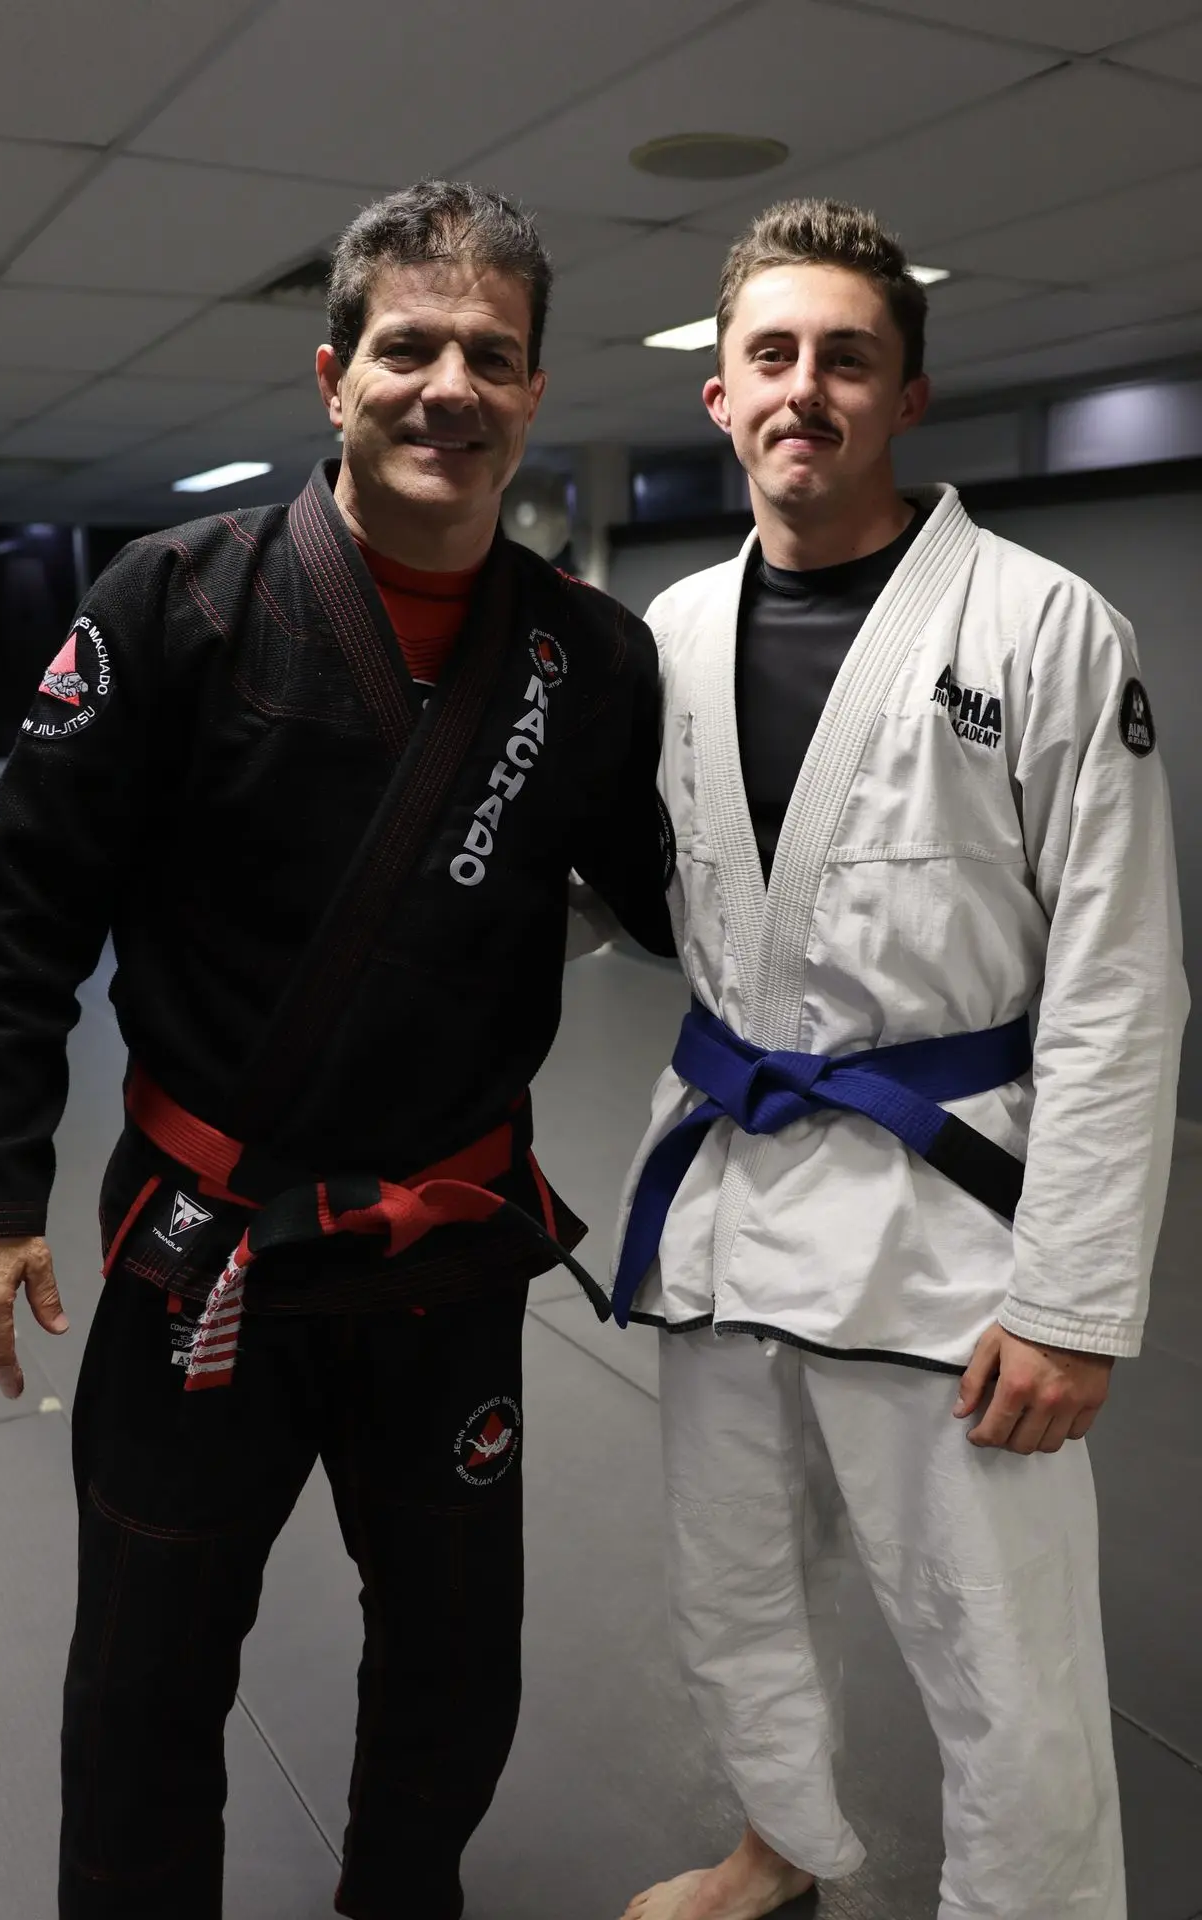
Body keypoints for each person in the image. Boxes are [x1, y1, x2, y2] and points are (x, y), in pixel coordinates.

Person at [0, 177, 674, 1920]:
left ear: (537, 393)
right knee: (146, 1673)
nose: (449, 385)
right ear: (334, 374)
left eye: (493, 353)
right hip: (210, 1250)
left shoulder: (590, 656)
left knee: (456, 1660)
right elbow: (22, 920)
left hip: (447, 1253)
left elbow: (673, 898)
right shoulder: (175, 602)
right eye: (409, 347)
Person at [610, 198, 1186, 1920]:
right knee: (740, 1585)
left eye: (846, 357)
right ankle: (781, 1844)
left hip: (950, 1218)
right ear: (717, 395)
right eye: (768, 357)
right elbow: (617, 888)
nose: (805, 388)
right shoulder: (666, 637)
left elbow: (1120, 981)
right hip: (726, 1189)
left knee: (997, 1638)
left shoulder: (1045, 626)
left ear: (908, 393)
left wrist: (1075, 1300)